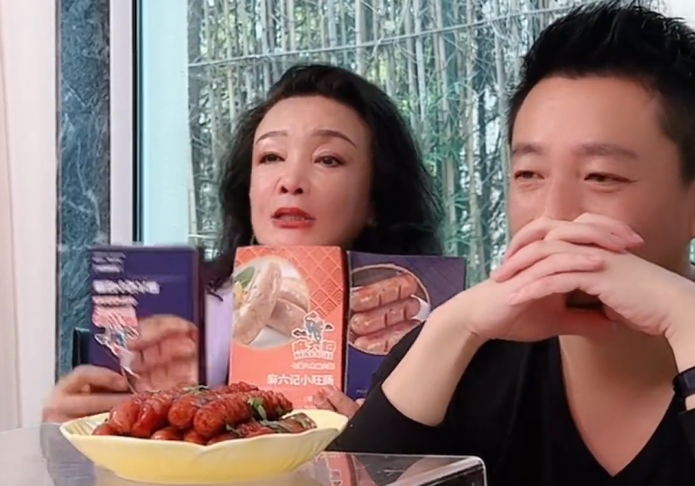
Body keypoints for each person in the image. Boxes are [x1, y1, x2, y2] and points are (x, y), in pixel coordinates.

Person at [331, 3, 695, 485]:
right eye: (529, 175)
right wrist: (453, 329)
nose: (554, 214)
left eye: (602, 176)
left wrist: (687, 318)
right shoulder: (463, 352)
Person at [42, 63, 442, 423]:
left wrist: (381, 444)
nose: (290, 181)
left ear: (376, 198)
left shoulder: (421, 321)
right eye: (271, 157)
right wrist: (65, 432)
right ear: (247, 188)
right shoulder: (182, 311)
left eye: (328, 159)